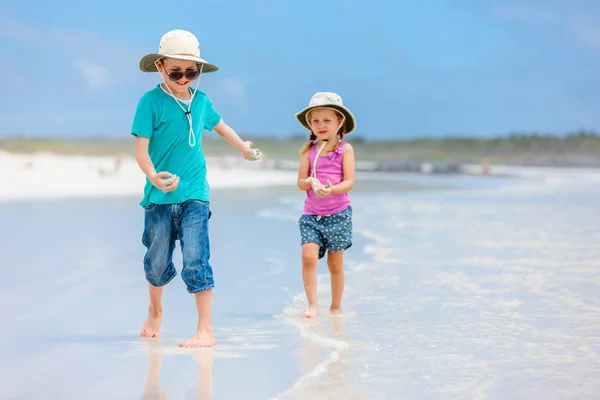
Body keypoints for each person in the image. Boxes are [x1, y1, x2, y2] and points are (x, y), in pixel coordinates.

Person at [131, 29, 262, 347]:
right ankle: (155, 309)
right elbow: (141, 150)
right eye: (176, 71)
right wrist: (152, 176)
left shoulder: (201, 102)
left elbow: (221, 126)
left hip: (195, 194)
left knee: (196, 257)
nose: (184, 78)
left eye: (191, 72)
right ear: (161, 66)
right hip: (159, 196)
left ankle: (205, 329)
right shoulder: (150, 103)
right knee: (158, 259)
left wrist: (243, 147)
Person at [294, 92, 356, 318]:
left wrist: (332, 189)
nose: (320, 125)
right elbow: (301, 183)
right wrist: (309, 181)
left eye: (326, 120)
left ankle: (336, 306)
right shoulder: (307, 151)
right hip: (312, 215)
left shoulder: (345, 150)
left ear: (339, 122)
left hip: (338, 215)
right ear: (310, 124)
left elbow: (349, 181)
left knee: (335, 264)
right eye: (315, 121)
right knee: (308, 256)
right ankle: (312, 304)